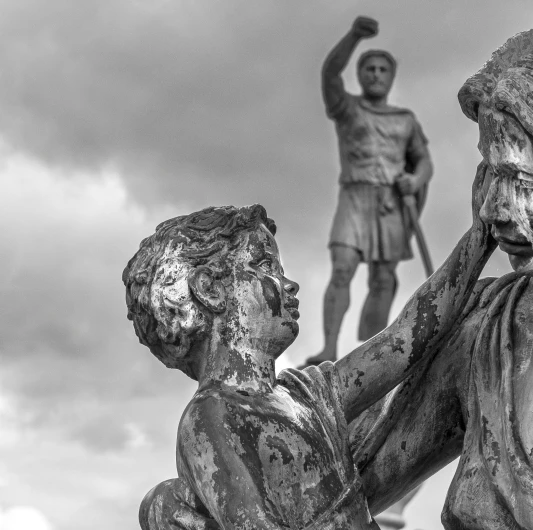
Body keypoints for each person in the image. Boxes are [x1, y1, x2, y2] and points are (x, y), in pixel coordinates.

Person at [139, 15, 533, 530]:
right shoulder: (489, 329)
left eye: (523, 183)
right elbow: (329, 481)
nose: (496, 210)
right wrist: (179, 504)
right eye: (487, 176)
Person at [124, 193, 493, 529]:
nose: (288, 284)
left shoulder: (307, 393)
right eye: (265, 265)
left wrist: (481, 234)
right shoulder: (210, 418)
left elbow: (406, 337)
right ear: (209, 290)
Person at [306, 16, 434, 365]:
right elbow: (329, 74)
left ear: (391, 77)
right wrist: (353, 37)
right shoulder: (347, 109)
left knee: (383, 278)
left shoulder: (405, 119)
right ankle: (329, 348)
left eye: (382, 70)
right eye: (370, 69)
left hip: (390, 203)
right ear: (360, 75)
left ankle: (369, 351)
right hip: (355, 195)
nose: (376, 74)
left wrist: (416, 180)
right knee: (343, 267)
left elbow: (424, 162)